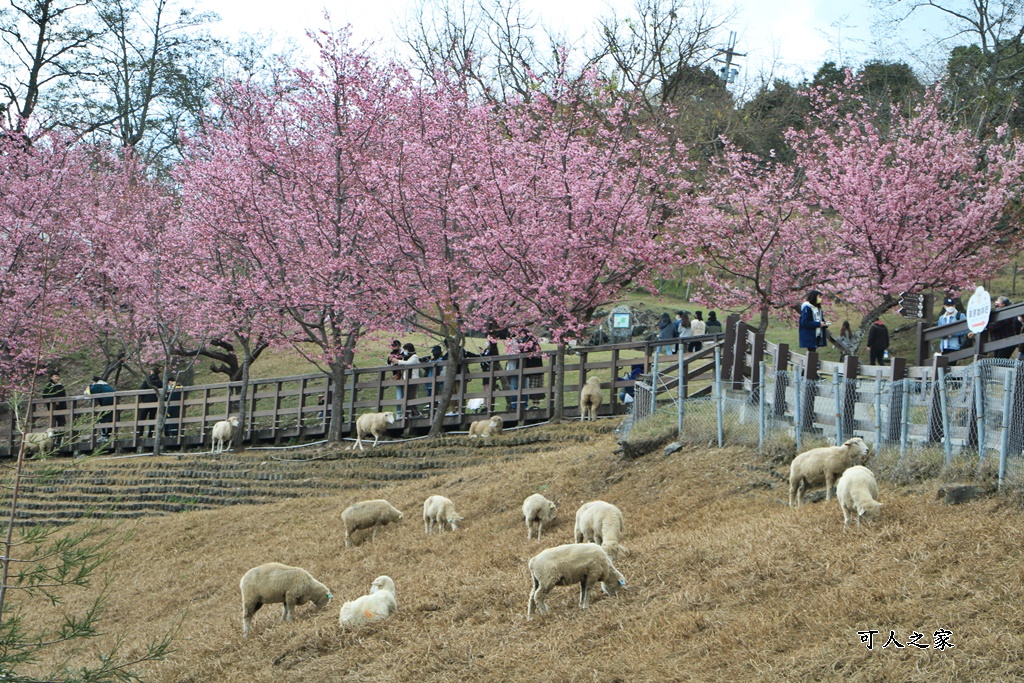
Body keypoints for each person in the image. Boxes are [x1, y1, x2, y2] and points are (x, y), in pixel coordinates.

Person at [393, 343, 421, 418]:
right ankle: (412, 414)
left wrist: (398, 361)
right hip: (406, 380)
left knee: (410, 397)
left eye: (405, 349)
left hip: (413, 380)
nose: (404, 351)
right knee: (407, 398)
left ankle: (415, 414)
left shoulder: (414, 357)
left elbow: (409, 363)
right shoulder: (405, 357)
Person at [85, 375, 116, 441]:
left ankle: (104, 436)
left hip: (106, 404)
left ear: (95, 382)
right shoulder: (107, 386)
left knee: (100, 420)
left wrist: (88, 388)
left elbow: (87, 394)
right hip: (114, 404)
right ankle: (107, 436)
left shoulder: (98, 386)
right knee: (111, 420)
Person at [137, 367, 162, 438]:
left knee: (142, 418)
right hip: (155, 401)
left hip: (146, 401)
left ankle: (140, 434)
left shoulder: (147, 381)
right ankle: (150, 434)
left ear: (151, 372)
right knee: (152, 417)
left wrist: (141, 399)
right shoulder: (159, 382)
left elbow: (142, 389)